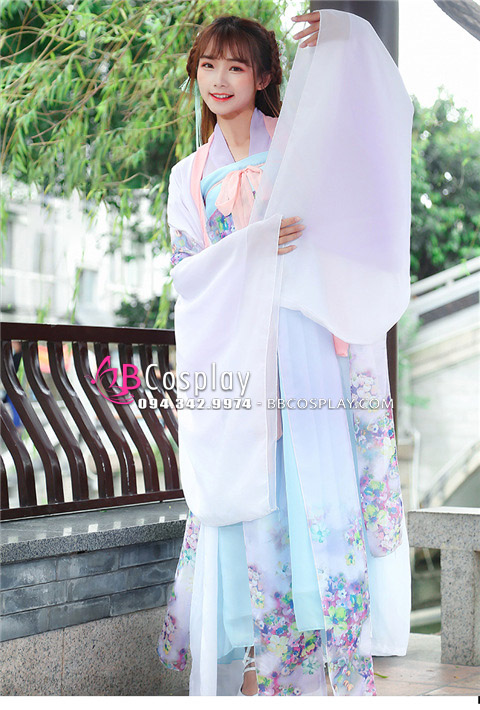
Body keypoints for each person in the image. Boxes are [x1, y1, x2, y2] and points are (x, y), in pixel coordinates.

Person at [157, 10, 413, 697]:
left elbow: (368, 148)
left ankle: (322, 654)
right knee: (251, 494)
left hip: (303, 348)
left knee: (309, 490)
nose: (219, 79)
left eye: (236, 66)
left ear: (265, 76)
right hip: (236, 354)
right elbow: (185, 274)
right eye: (208, 65)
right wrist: (253, 246)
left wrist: (347, 43)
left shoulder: (297, 144)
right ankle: (261, 661)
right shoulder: (187, 176)